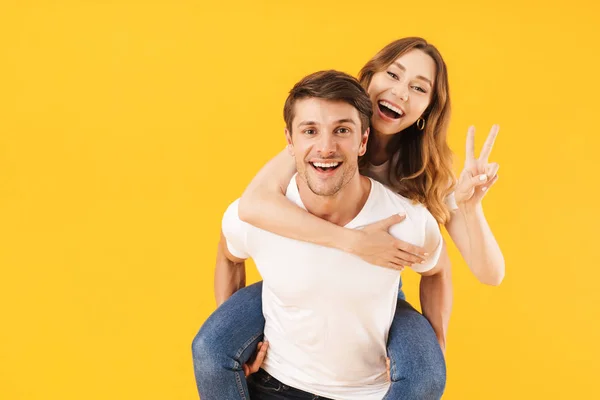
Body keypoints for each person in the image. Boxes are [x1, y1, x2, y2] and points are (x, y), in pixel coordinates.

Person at [193, 37, 503, 399]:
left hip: (379, 282)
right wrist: (353, 242)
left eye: (419, 88)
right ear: (368, 78)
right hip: (302, 269)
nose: (401, 92)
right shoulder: (324, 138)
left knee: (424, 372)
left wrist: (470, 208)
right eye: (393, 75)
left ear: (428, 109)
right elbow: (251, 207)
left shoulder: (426, 170)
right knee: (211, 348)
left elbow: (484, 272)